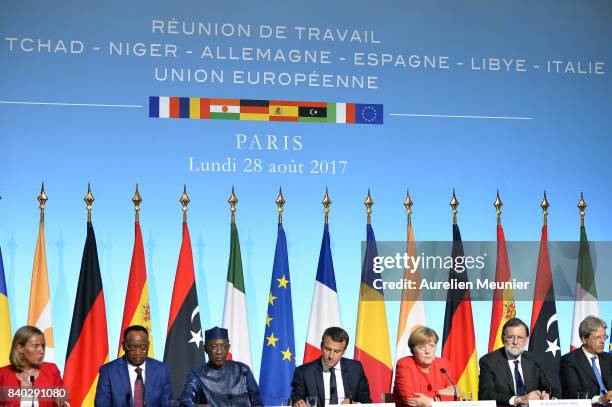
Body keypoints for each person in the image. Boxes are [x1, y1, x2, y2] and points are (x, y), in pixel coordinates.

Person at [478, 318, 557, 405]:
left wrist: (546, 395)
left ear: (526, 341)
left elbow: (549, 387)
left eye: (520, 338)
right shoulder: (489, 361)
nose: (515, 342)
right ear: (502, 338)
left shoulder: (535, 360)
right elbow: (484, 395)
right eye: (510, 337)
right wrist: (518, 399)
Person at [179, 326, 261, 407]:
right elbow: (185, 401)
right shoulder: (197, 374)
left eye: (223, 346)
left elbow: (257, 402)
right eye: (214, 347)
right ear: (205, 349)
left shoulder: (243, 370)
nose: (219, 352)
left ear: (228, 348)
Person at [291, 326, 371, 406]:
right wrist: (298, 404)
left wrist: (355, 404)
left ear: (344, 351)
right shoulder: (303, 372)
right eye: (328, 349)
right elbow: (296, 400)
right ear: (321, 346)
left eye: (337, 351)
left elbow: (366, 402)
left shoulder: (355, 369)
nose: (331, 356)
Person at [94, 325, 172, 406]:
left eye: (143, 347)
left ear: (148, 345)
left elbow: (167, 404)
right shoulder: (108, 371)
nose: (138, 352)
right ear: (124, 346)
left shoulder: (161, 370)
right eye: (132, 347)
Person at [0, 325, 67, 407]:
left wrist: (64, 404)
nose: (41, 351)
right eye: (35, 346)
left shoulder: (51, 370)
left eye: (43, 346)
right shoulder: (2, 374)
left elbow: (63, 401)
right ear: (20, 348)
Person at [393, 327, 457, 407]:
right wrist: (441, 394)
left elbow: (455, 393)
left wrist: (432, 400)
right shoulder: (404, 364)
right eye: (421, 347)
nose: (427, 351)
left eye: (431, 346)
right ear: (412, 350)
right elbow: (410, 399)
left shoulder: (443, 364)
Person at [560, 316, 612, 404]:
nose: (603, 341)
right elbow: (572, 393)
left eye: (604, 337)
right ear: (584, 339)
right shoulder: (569, 360)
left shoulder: (609, 359)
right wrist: (600, 399)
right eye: (597, 338)